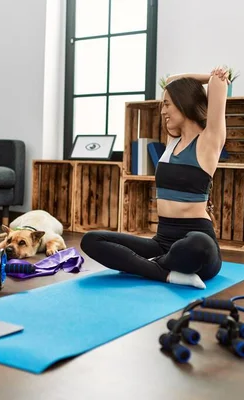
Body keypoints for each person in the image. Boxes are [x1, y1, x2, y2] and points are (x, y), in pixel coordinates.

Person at [80, 66, 231, 289]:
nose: (163, 111)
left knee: (198, 245)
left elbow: (217, 83)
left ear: (184, 102)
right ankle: (165, 273)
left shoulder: (208, 141)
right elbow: (171, 80)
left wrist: (212, 76)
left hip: (195, 241)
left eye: (167, 104)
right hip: (162, 242)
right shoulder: (173, 144)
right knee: (91, 240)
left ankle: (146, 266)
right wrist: (179, 86)